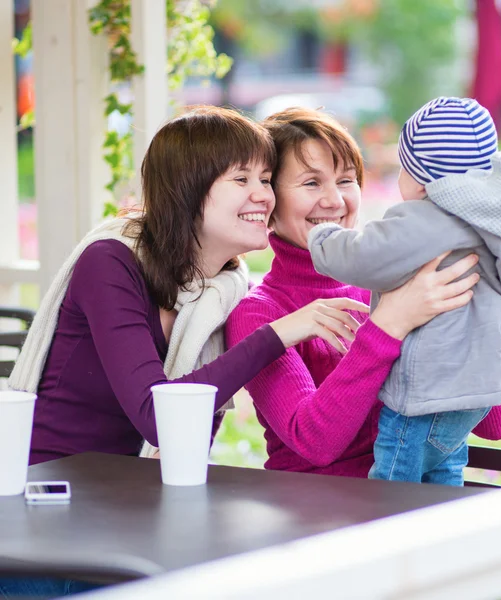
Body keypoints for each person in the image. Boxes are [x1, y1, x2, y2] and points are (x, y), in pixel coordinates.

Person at [1, 106, 370, 598]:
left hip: (133, 512)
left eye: (265, 177)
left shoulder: (225, 291)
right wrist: (278, 334)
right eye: (242, 178)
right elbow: (161, 418)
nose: (262, 194)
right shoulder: (110, 262)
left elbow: (194, 440)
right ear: (189, 189)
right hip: (44, 514)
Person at [226, 106, 501, 480]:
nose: (334, 201)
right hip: (313, 513)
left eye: (346, 181)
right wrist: (390, 324)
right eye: (311, 183)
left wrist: (482, 302)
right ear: (269, 201)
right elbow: (315, 443)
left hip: (412, 506)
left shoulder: (407, 281)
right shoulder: (259, 313)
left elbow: (494, 424)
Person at [308, 97, 501, 485]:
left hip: (427, 389)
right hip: (474, 393)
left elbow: (365, 255)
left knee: (393, 483)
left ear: (421, 177)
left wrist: (323, 236)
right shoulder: (497, 222)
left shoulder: (430, 218)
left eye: (404, 166)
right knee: (445, 470)